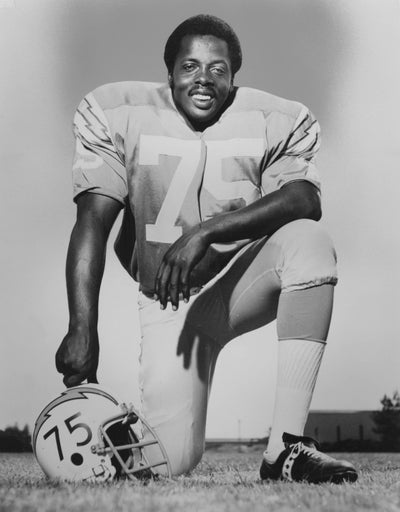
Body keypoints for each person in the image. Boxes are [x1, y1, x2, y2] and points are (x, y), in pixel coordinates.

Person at [56, 14, 357, 483]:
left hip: (238, 285)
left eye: (218, 69)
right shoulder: (120, 111)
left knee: (310, 243)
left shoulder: (272, 118)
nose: (203, 78)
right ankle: (118, 434)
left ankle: (286, 449)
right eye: (190, 66)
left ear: (234, 77)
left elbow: (304, 199)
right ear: (169, 72)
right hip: (167, 301)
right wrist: (81, 327)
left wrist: (206, 232)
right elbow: (93, 221)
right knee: (168, 462)